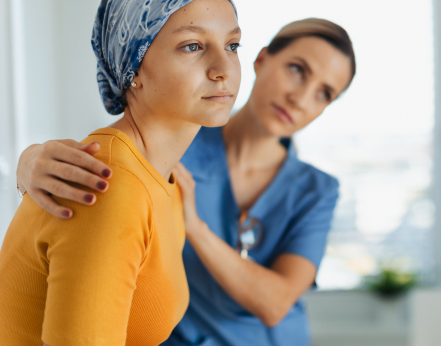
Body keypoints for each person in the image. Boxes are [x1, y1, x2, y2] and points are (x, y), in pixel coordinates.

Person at [16, 18, 356, 346]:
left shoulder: (317, 190)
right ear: (262, 59)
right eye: (297, 70)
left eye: (324, 93)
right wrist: (30, 160)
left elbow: (275, 304)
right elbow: (108, 160)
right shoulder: (176, 144)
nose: (301, 98)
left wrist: (194, 226)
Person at [0, 0, 241, 346]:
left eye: (232, 45)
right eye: (192, 46)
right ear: (134, 66)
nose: (223, 68)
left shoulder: (169, 179)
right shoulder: (109, 184)